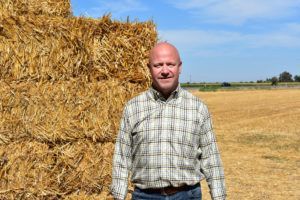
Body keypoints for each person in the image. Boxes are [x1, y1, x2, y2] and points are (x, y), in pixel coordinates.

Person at [111, 42, 226, 200]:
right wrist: (118, 196)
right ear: (149, 68)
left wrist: (219, 197)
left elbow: (211, 158)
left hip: (187, 195)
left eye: (170, 64)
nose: (165, 71)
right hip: (144, 196)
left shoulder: (198, 108)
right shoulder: (133, 108)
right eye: (158, 65)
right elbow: (122, 158)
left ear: (180, 67)